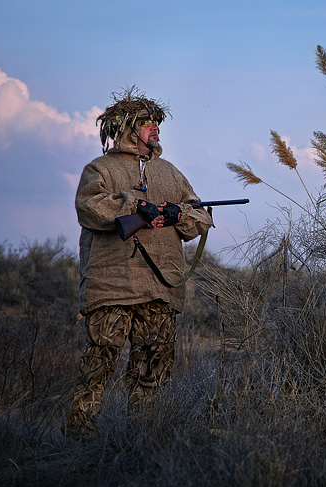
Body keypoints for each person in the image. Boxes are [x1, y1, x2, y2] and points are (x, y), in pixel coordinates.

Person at [66, 87, 213, 436]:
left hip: (160, 287)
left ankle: (144, 436)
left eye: (156, 122)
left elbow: (201, 218)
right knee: (98, 365)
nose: (155, 128)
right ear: (128, 128)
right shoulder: (99, 169)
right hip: (111, 285)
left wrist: (178, 215)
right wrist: (134, 206)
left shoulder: (170, 173)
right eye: (146, 123)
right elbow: (89, 208)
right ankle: (79, 437)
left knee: (153, 367)